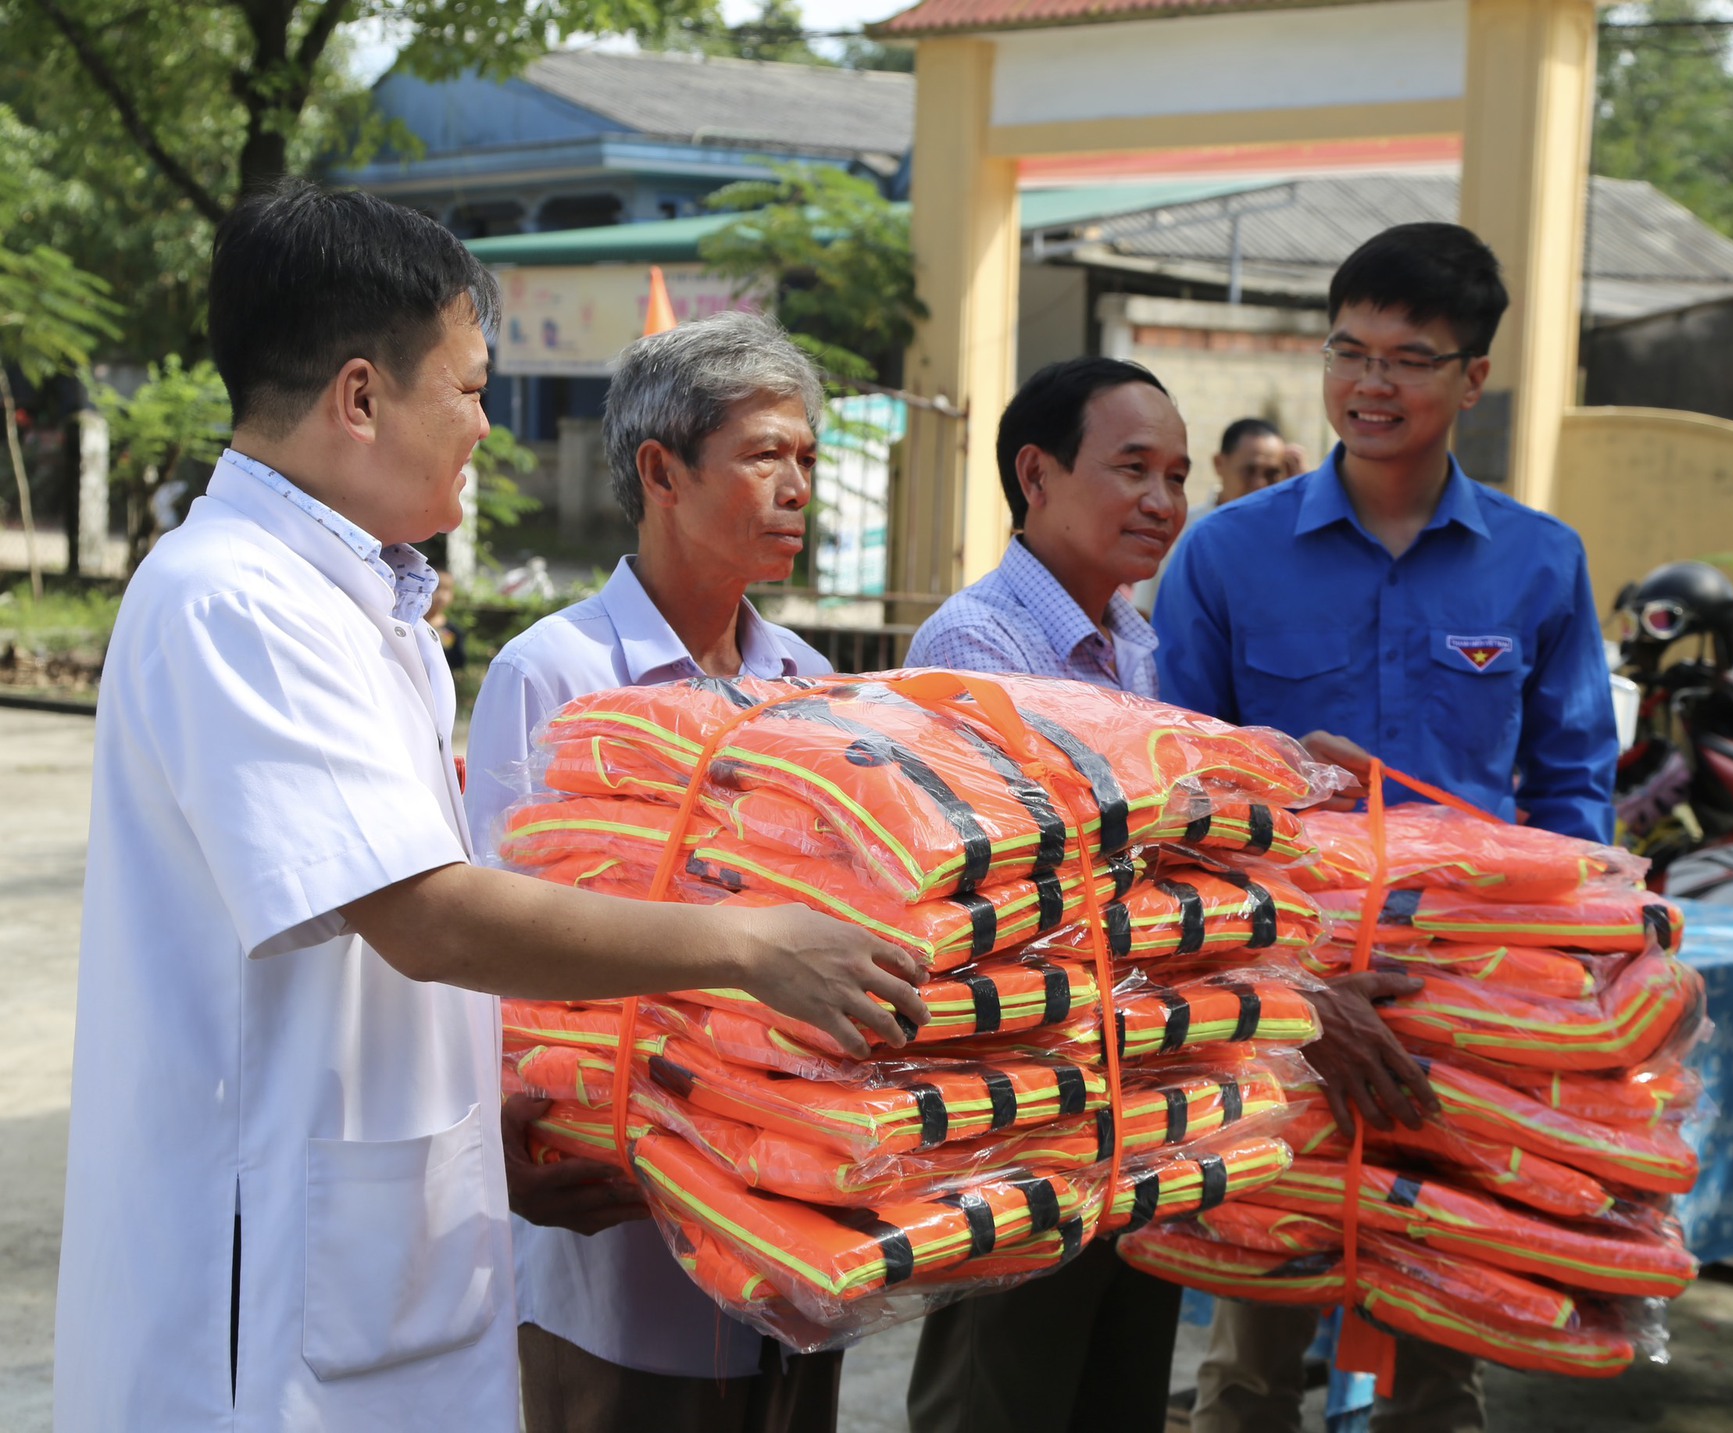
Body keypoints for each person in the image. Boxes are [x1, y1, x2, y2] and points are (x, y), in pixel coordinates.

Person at [52, 182, 926, 1433]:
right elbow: (426, 916)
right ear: (360, 397)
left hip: (379, 1238)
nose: (484, 425)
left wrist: (483, 1136)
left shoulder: (362, 606)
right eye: (467, 388)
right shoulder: (234, 598)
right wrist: (746, 945)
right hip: (264, 1305)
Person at [901, 357, 1427, 1433]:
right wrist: (1279, 995)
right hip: (1025, 1111)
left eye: (1177, 474)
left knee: (1117, 1392)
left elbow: (1157, 837)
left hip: (1139, 1101)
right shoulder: (982, 645)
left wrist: (1270, 769)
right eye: (1131, 467)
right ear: (1034, 474)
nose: (1161, 499)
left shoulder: (1134, 642)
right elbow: (1058, 898)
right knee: (1001, 1389)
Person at [1152, 222, 1619, 1433]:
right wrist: (1270, 980)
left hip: (1465, 1000)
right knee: (1250, 1342)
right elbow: (1177, 795)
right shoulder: (1224, 555)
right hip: (1277, 990)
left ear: (1472, 377)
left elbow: (1572, 791)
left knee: (1437, 1344)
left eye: (1408, 358)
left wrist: (1572, 979)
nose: (1369, 383)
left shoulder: (1537, 561)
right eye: (1346, 350)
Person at [463, 311, 846, 1433]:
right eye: (766, 454)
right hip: (618, 1228)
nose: (797, 487)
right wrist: (503, 1135)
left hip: (790, 1215)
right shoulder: (558, 673)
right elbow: (496, 941)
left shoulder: (810, 684)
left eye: (808, 460)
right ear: (659, 469)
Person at [1132, 416, 1291, 614]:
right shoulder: (1177, 530)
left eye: (1272, 474)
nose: (1260, 484)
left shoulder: (1289, 537)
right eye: (1249, 471)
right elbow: (1144, 612)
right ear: (1219, 464)